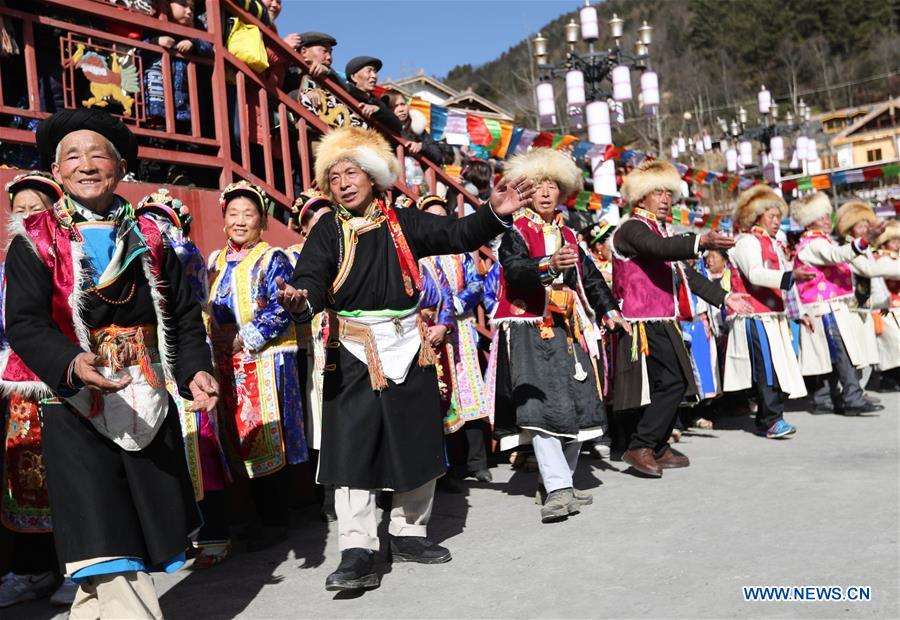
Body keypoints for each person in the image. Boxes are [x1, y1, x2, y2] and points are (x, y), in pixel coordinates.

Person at [276, 126, 533, 591]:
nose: (343, 184)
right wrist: (300, 300)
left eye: (351, 172)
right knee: (352, 448)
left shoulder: (404, 222)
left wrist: (493, 212)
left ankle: (409, 532)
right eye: (334, 177)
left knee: (416, 440)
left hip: (409, 345)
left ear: (373, 176)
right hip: (353, 350)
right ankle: (357, 548)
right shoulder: (327, 231)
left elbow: (457, 233)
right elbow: (309, 278)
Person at [2, 108, 218, 618]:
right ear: (56, 172)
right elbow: (26, 323)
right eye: (72, 156)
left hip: (146, 395)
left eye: (98, 154)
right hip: (75, 401)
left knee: (122, 541)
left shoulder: (152, 237)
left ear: (121, 167)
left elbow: (183, 315)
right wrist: (73, 363)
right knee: (104, 533)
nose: (86, 164)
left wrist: (194, 370)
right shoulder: (34, 238)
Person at [491, 148, 627, 521]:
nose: (546, 192)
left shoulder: (568, 232)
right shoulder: (515, 230)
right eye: (538, 186)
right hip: (531, 327)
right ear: (527, 192)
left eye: (552, 185)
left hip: (569, 326)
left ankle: (560, 481)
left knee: (577, 403)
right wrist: (548, 266)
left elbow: (590, 277)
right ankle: (557, 488)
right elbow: (514, 271)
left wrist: (609, 310)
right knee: (543, 407)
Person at [610, 160, 752, 478]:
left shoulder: (661, 231)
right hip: (641, 322)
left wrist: (725, 297)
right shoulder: (632, 228)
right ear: (641, 197)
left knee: (678, 383)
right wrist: (700, 241)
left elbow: (686, 274)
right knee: (670, 383)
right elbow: (657, 249)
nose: (665, 199)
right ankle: (641, 445)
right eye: (658, 192)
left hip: (664, 320)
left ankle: (657, 445)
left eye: (668, 194)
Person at [207, 181, 308, 551]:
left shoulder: (272, 258)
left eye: (248, 214)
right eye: (233, 213)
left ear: (262, 222)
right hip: (226, 364)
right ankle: (253, 517)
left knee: (266, 438)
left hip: (263, 362)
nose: (240, 221)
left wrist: (244, 337)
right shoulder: (214, 261)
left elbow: (283, 308)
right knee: (237, 440)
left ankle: (275, 519)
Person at [135, 189, 232, 569]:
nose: (155, 228)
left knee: (201, 446)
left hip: (187, 354)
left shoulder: (182, 252)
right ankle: (177, 537)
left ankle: (215, 533)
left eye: (163, 222)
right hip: (152, 360)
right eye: (149, 221)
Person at [0, 172, 77, 609]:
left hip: (62, 380)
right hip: (19, 386)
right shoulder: (7, 265)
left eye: (37, 208)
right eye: (21, 209)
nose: (28, 215)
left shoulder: (67, 256)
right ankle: (33, 569)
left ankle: (75, 567)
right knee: (26, 476)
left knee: (68, 476)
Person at [722, 185, 814, 438]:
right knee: (767, 369)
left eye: (778, 217)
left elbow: (786, 286)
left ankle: (770, 418)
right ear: (755, 215)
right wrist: (791, 275)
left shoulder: (774, 243)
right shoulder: (746, 241)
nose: (776, 221)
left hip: (774, 316)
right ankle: (770, 420)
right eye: (771, 216)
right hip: (755, 315)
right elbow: (755, 274)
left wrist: (799, 313)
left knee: (779, 367)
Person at [790, 192, 893, 415]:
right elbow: (837, 255)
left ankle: (824, 400)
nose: (827, 220)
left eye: (827, 215)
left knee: (829, 354)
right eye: (821, 217)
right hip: (825, 308)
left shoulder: (815, 241)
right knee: (843, 353)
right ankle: (852, 398)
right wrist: (866, 239)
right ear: (809, 221)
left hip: (824, 306)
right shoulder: (815, 243)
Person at [416, 195, 493, 484]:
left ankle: (478, 462)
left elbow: (476, 283)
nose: (437, 221)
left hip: (461, 329)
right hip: (431, 331)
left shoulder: (461, 251)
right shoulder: (421, 253)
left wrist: (458, 304)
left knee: (469, 392)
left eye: (441, 215)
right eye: (431, 217)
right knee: (444, 395)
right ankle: (452, 466)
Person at [143, 0, 213, 126]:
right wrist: (156, 41)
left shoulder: (196, 29)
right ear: (166, 4)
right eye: (183, 5)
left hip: (184, 111)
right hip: (154, 107)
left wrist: (193, 43)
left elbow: (210, 49)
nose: (189, 12)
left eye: (192, 8)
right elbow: (138, 48)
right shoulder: (152, 23)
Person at [872, 219, 900, 390]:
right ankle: (888, 380)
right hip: (888, 307)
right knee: (893, 345)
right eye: (893, 240)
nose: (897, 243)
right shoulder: (881, 259)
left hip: (896, 306)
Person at [344, 56, 404, 134]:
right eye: (368, 71)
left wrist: (377, 110)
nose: (374, 76)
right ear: (354, 77)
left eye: (375, 72)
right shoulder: (345, 94)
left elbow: (398, 126)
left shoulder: (376, 102)